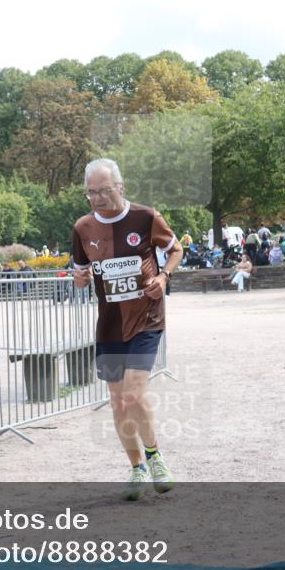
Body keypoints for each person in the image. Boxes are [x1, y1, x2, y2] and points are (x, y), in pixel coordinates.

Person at [71, 158, 182, 501]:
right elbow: (79, 274)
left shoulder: (146, 217)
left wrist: (163, 277)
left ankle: (155, 458)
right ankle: (136, 468)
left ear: (120, 187)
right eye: (92, 192)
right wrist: (79, 278)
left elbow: (175, 250)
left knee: (133, 393)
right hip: (109, 324)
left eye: (104, 190)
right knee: (118, 402)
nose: (98, 198)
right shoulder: (83, 228)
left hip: (147, 318)